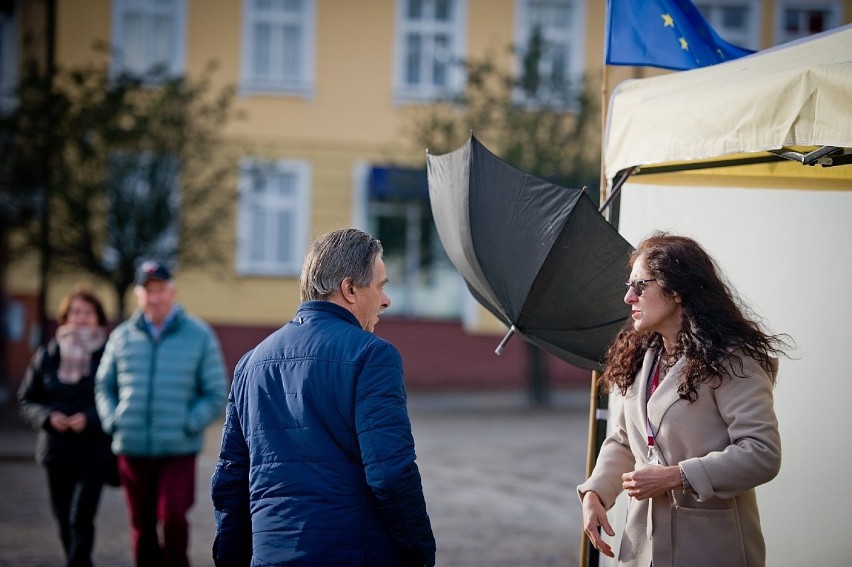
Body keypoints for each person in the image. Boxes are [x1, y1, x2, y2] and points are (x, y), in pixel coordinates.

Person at [211, 228, 436, 566]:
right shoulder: (373, 356)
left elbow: (230, 478)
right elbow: (390, 474)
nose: (387, 300)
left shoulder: (251, 362)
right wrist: (420, 550)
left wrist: (232, 557)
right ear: (349, 289)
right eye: (380, 286)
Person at [579, 232, 789, 567]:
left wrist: (677, 476)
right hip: (641, 549)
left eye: (640, 285)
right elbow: (622, 441)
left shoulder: (733, 359)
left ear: (676, 291)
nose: (628, 297)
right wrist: (595, 494)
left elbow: (762, 453)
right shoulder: (640, 356)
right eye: (628, 285)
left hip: (710, 549)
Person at [95, 260, 227, 567]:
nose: (154, 298)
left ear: (173, 292)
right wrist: (114, 421)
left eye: (161, 290)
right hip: (132, 448)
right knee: (141, 528)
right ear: (138, 295)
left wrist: (187, 423)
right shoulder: (122, 337)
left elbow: (216, 390)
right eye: (148, 291)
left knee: (174, 519)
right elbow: (104, 385)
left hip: (178, 448)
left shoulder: (199, 335)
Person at [18, 286, 113, 567]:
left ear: (98, 318)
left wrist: (90, 418)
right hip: (55, 451)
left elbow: (117, 396)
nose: (81, 318)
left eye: (87, 312)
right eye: (75, 312)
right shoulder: (48, 354)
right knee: (62, 520)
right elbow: (27, 399)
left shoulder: (107, 355)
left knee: (80, 517)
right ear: (64, 317)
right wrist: (47, 417)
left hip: (94, 451)